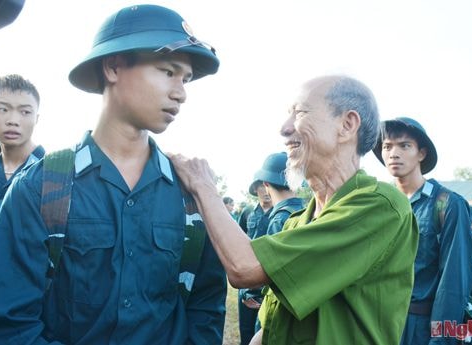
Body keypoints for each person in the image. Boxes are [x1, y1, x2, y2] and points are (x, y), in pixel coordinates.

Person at [0, 5, 226, 344]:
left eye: (187, 79)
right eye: (168, 71)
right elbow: (5, 326)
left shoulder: (190, 196)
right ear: (113, 66)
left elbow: (205, 309)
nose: (180, 92)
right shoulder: (41, 187)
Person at [170, 74, 419, 344]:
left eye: (299, 113)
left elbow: (244, 267)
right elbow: (273, 324)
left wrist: (203, 186)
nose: (284, 128)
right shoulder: (298, 222)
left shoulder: (379, 206)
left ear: (347, 124)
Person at [373, 116, 472, 345]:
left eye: (404, 145)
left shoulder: (446, 204)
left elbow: (453, 282)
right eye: (387, 146)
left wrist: (441, 339)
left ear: (422, 153)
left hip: (420, 325)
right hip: (378, 322)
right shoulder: (378, 204)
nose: (393, 153)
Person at [0, 74, 44, 301]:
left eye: (25, 112)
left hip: (26, 307)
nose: (13, 120)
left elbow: (38, 257)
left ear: (37, 117)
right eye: (3, 109)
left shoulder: (55, 176)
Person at [238, 177, 273, 345]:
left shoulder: (281, 213)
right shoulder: (248, 211)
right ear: (255, 189)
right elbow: (239, 239)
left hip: (268, 280)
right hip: (246, 280)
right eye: (261, 186)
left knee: (263, 331)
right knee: (245, 330)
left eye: (268, 186)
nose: (265, 191)